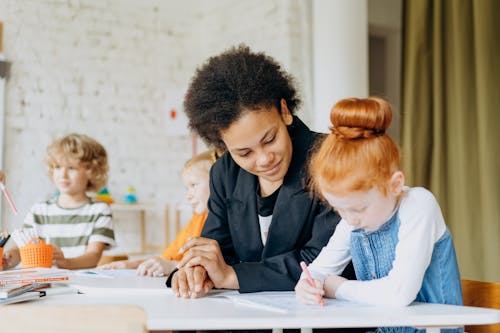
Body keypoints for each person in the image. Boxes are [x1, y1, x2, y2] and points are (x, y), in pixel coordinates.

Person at [169, 45, 356, 299]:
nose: (265, 159)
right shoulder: (224, 174)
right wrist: (198, 269)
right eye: (244, 153)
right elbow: (216, 249)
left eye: (270, 139)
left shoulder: (332, 158)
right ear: (224, 147)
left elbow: (321, 261)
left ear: (285, 111)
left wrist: (231, 276)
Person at [295, 97, 462, 333]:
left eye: (358, 208)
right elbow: (319, 270)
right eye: (339, 209)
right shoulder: (352, 221)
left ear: (395, 184)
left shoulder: (418, 205)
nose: (349, 219)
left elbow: (399, 293)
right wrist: (307, 285)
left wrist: (338, 287)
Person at [2, 133, 115, 270]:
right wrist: (6, 259)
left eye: (72, 168)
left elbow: (93, 256)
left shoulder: (100, 210)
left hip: (81, 287)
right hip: (45, 285)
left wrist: (66, 263)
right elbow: (21, 250)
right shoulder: (39, 210)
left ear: (92, 171)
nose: (63, 175)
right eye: (57, 167)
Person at [99, 150, 217, 277]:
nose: (188, 195)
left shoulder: (221, 223)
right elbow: (168, 259)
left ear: (218, 183)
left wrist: (171, 266)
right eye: (187, 188)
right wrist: (132, 265)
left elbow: (207, 267)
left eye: (194, 185)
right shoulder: (198, 219)